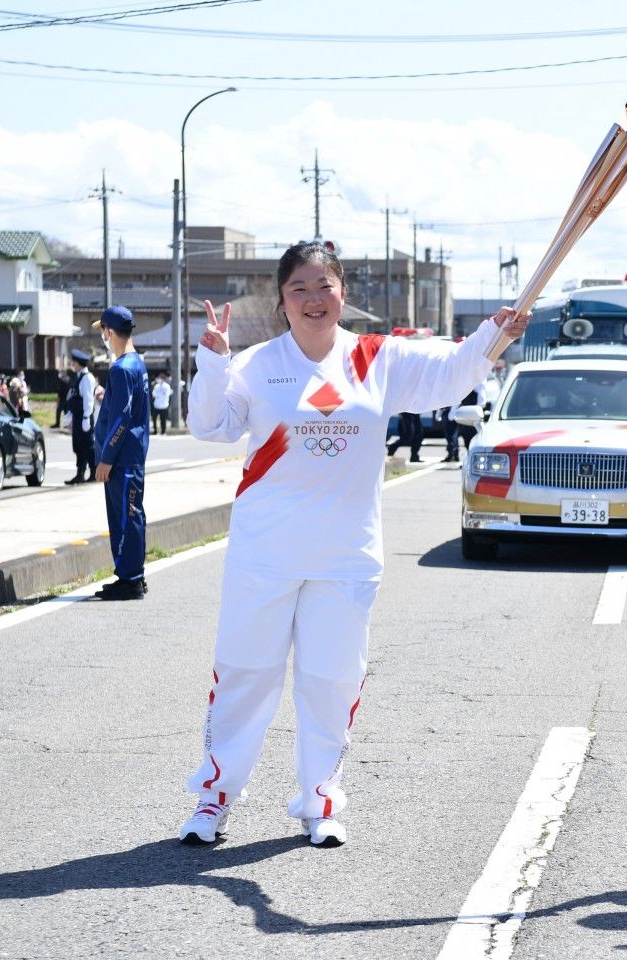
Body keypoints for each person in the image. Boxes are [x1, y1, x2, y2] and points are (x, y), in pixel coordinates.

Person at [179, 240, 529, 847]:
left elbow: (450, 373)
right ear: (282, 299)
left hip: (345, 555)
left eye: (325, 286)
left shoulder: (377, 358)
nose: (313, 299)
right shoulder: (256, 364)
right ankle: (215, 797)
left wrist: (493, 335)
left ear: (343, 293)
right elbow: (211, 425)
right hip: (266, 551)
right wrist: (212, 362)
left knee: (331, 679)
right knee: (245, 675)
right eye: (299, 288)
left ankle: (319, 801)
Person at [92, 306, 151, 602]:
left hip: (122, 458)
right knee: (132, 514)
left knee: (126, 517)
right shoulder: (136, 364)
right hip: (131, 455)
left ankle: (130, 580)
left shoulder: (121, 369)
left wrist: (106, 458)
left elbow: (120, 418)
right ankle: (133, 575)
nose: (103, 336)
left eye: (103, 330)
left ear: (109, 332)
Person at [64, 350, 98, 484]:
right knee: (79, 446)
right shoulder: (79, 377)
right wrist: (70, 415)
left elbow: (88, 400)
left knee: (88, 446)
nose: (72, 364)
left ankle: (94, 472)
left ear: (78, 363)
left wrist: (86, 418)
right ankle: (80, 474)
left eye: (73, 362)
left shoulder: (87, 378)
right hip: (78, 416)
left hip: (84, 417)